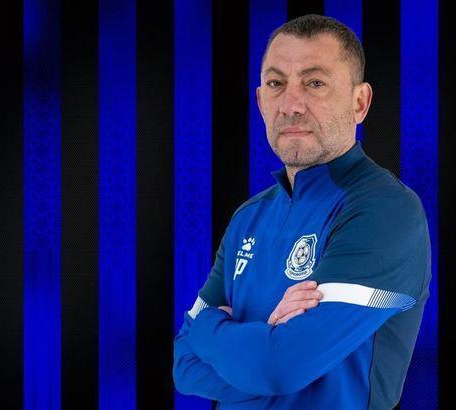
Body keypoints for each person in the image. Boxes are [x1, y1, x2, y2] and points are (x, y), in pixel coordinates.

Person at [173, 14, 431, 409]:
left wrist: (208, 326)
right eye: (276, 84)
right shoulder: (248, 217)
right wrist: (265, 343)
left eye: (315, 83)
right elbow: (183, 366)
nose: (291, 106)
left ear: (360, 102)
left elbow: (278, 368)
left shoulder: (385, 210)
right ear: (260, 101)